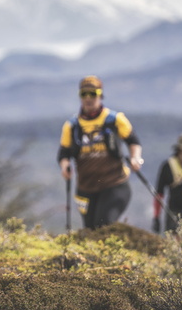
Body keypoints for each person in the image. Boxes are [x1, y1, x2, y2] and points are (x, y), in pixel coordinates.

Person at [58, 75, 143, 229]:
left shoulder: (115, 119)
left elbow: (133, 141)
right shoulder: (71, 126)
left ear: (100, 95)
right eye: (84, 94)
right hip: (85, 188)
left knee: (103, 224)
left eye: (93, 93)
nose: (88, 98)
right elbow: (63, 154)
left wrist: (135, 158)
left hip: (115, 184)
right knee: (90, 230)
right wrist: (65, 167)